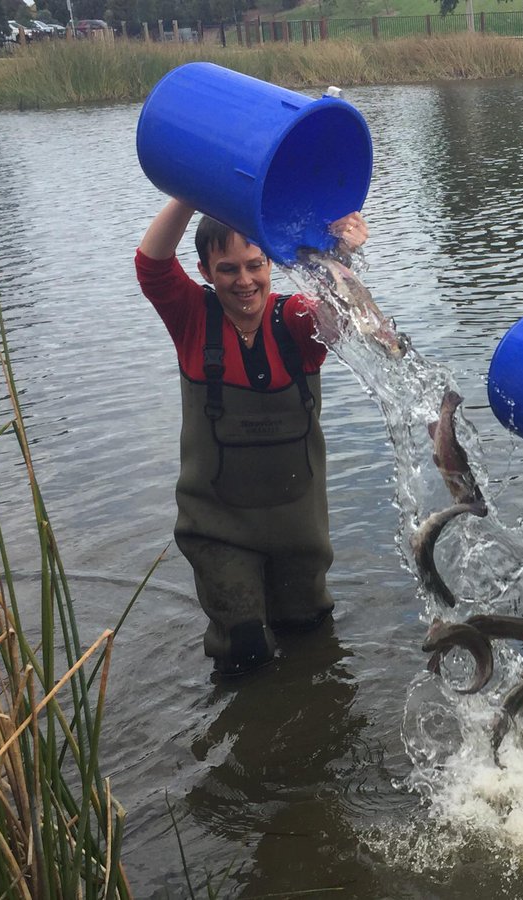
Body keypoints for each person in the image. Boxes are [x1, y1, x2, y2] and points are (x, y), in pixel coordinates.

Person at [135, 198, 368, 676]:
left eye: (254, 265)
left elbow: (349, 320)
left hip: (297, 527)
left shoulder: (298, 321)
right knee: (244, 651)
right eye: (227, 269)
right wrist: (188, 190)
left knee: (313, 645)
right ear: (205, 271)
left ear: (270, 264)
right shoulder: (192, 319)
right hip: (219, 527)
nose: (244, 281)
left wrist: (339, 255)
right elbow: (151, 265)